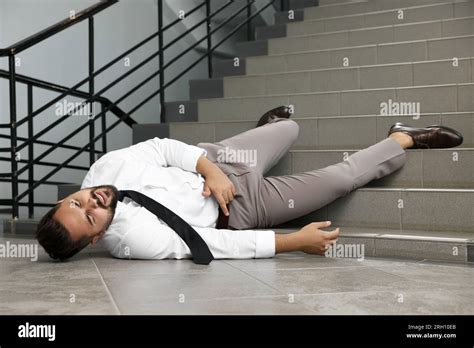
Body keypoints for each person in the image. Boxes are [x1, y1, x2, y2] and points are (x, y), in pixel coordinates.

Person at [35, 106, 463, 262]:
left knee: (290, 128)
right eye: (90, 218)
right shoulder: (135, 242)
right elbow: (211, 246)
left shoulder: (103, 170)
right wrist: (292, 243)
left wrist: (211, 168)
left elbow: (164, 148)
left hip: (216, 161)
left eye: (76, 202)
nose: (92, 201)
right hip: (240, 208)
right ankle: (403, 137)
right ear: (94, 240)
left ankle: (267, 130)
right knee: (340, 178)